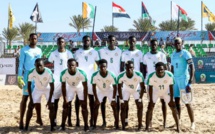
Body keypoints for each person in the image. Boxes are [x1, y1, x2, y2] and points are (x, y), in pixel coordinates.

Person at [145, 62, 180, 132]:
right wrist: (151, 99)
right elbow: (150, 88)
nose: (160, 71)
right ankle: (146, 127)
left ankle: (178, 127)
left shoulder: (169, 75)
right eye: (158, 70)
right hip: (155, 91)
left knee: (173, 107)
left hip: (166, 91)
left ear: (164, 69)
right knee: (150, 107)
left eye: (162, 69)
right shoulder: (151, 76)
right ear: (155, 69)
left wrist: (171, 99)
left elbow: (171, 87)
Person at [17, 33, 42, 130]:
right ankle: (21, 120)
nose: (33, 40)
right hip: (27, 75)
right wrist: (20, 77)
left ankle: (38, 118)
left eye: (35, 38)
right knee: (25, 98)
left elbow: (39, 63)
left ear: (37, 40)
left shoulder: (39, 50)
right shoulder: (24, 50)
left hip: (37, 76)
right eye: (32, 38)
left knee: (37, 97)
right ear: (29, 39)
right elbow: (21, 64)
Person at [74, 35, 99, 127]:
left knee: (91, 99)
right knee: (78, 100)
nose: (86, 42)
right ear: (82, 41)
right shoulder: (77, 52)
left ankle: (91, 119)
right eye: (85, 40)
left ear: (90, 41)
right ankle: (77, 119)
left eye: (88, 40)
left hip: (91, 79)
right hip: (80, 79)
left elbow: (99, 63)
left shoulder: (94, 52)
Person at [48, 37, 73, 127]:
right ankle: (54, 120)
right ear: (57, 43)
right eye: (59, 42)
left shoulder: (69, 53)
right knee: (56, 100)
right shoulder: (53, 53)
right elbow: (48, 62)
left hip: (67, 79)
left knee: (68, 101)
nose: (60, 43)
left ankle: (69, 120)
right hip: (57, 79)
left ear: (65, 43)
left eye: (62, 42)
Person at [143, 39, 168, 128]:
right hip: (151, 82)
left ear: (157, 45)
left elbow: (166, 68)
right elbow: (144, 69)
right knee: (151, 103)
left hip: (162, 82)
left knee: (163, 102)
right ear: (150, 45)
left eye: (155, 44)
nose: (154, 46)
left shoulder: (162, 55)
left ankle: (165, 122)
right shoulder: (146, 55)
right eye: (152, 44)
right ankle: (150, 122)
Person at [171, 37, 195, 130]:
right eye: (176, 43)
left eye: (179, 43)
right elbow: (172, 68)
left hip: (184, 80)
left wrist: (190, 82)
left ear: (182, 43)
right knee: (176, 102)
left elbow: (192, 67)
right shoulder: (173, 54)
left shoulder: (185, 53)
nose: (177, 45)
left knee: (187, 102)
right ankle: (178, 121)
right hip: (175, 81)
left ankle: (192, 123)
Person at [25, 58, 55, 131]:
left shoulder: (48, 72)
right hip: (37, 89)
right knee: (30, 106)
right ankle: (26, 127)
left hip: (47, 89)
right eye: (37, 66)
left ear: (44, 65)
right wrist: (31, 99)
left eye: (41, 65)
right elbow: (28, 85)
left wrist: (50, 100)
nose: (39, 67)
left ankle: (52, 127)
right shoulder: (31, 72)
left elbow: (52, 86)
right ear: (34, 65)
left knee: (52, 106)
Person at [98, 35, 122, 127]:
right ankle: (104, 121)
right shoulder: (101, 51)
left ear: (115, 41)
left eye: (113, 40)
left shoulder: (120, 51)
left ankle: (117, 121)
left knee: (116, 102)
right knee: (103, 101)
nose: (111, 42)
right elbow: (98, 62)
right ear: (107, 41)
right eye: (110, 40)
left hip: (115, 80)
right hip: (104, 79)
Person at [59, 58, 89, 131]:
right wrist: (65, 99)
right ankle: (62, 125)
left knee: (84, 106)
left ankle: (86, 125)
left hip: (79, 87)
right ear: (67, 65)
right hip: (70, 87)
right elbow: (63, 86)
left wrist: (85, 99)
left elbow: (85, 87)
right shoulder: (63, 73)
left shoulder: (82, 73)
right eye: (69, 65)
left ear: (76, 65)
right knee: (65, 106)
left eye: (73, 65)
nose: (71, 67)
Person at [120, 35, 144, 126]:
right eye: (131, 41)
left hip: (136, 81)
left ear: (136, 42)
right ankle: (125, 120)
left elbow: (141, 68)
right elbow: (122, 67)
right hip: (126, 81)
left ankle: (140, 123)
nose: (132, 43)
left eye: (134, 41)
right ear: (128, 42)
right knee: (125, 102)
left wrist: (142, 81)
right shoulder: (124, 53)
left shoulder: (140, 53)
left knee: (138, 102)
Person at [118, 60, 145, 130]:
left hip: (136, 90)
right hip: (126, 90)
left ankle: (139, 125)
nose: (129, 69)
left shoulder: (139, 74)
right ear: (125, 68)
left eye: (131, 67)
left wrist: (140, 99)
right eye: (127, 67)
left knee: (140, 106)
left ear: (133, 68)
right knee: (123, 107)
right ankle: (123, 126)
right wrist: (121, 100)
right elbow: (119, 88)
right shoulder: (121, 75)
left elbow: (142, 87)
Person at [91, 59, 119, 129]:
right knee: (96, 106)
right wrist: (96, 99)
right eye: (101, 67)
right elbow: (94, 88)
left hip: (109, 90)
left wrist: (113, 99)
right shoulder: (94, 75)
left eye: (104, 66)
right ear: (99, 67)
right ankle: (94, 125)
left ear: (107, 66)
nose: (103, 68)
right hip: (100, 90)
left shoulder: (111, 74)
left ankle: (117, 124)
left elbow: (115, 87)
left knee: (114, 106)